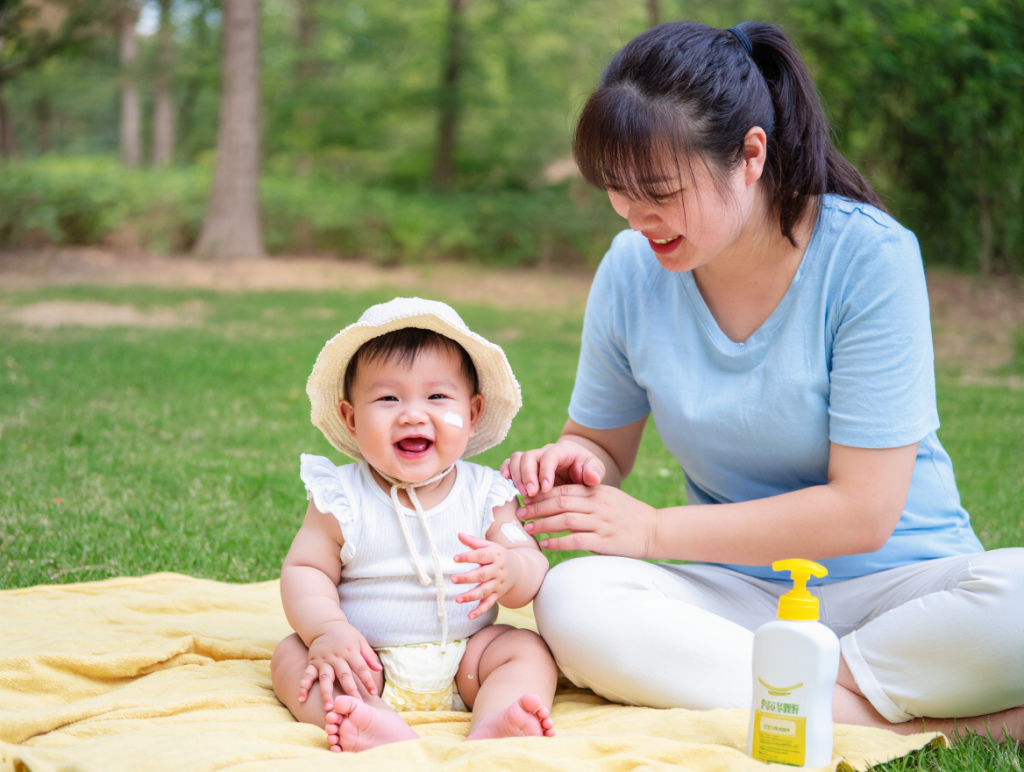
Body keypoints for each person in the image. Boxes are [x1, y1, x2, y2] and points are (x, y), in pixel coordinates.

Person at [502, 21, 1023, 742]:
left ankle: (795, 694)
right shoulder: (630, 269)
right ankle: (925, 721)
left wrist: (652, 529)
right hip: (742, 593)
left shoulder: (869, 258)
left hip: (898, 592)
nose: (633, 215)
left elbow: (864, 511)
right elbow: (600, 441)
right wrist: (577, 462)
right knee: (574, 599)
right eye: (616, 191)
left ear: (751, 154)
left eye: (657, 190)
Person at [272, 297, 557, 752]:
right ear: (350, 418)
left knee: (524, 649)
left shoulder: (486, 493)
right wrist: (327, 630)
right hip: (365, 662)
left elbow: (528, 563)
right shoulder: (340, 497)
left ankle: (496, 717)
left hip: (468, 659)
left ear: (474, 412)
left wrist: (512, 570)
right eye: (387, 398)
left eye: (437, 396)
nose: (412, 414)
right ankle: (369, 718)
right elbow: (306, 570)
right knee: (292, 656)